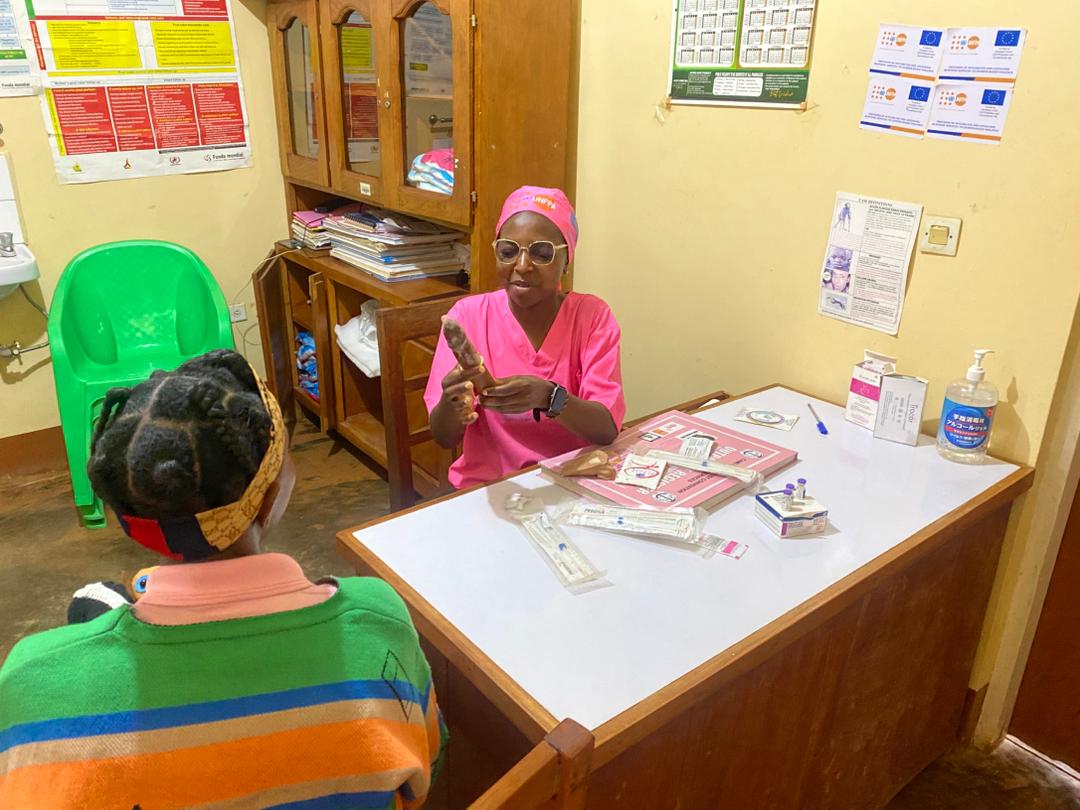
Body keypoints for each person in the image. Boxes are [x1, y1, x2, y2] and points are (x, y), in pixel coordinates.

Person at [0, 350, 445, 809]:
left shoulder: (32, 678)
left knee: (90, 604)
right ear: (269, 499)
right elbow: (427, 764)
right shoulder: (377, 623)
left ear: (134, 521)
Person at [426, 186, 626, 489]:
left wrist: (549, 397)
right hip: (491, 488)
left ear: (566, 260)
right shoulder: (468, 317)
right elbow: (444, 437)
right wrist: (453, 402)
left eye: (542, 253)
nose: (521, 266)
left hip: (571, 482)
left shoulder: (591, 318)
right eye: (508, 251)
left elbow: (606, 430)